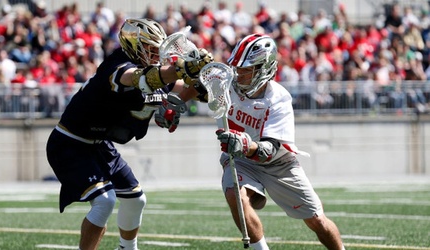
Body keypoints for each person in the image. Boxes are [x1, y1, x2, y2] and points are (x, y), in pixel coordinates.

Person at [46, 18, 212, 250]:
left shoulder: (154, 70)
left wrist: (204, 80)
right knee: (104, 201)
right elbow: (140, 79)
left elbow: (180, 91)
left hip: (99, 144)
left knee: (136, 200)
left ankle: (127, 248)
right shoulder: (117, 66)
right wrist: (181, 69)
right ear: (134, 45)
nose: (156, 54)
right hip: (70, 143)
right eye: (151, 49)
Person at [215, 34, 345, 250]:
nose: (238, 75)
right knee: (235, 194)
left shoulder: (279, 99)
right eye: (237, 68)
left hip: (278, 163)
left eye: (246, 70)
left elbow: (269, 149)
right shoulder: (225, 83)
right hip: (241, 160)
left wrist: (245, 144)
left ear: (263, 69)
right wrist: (175, 103)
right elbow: (196, 86)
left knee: (317, 220)